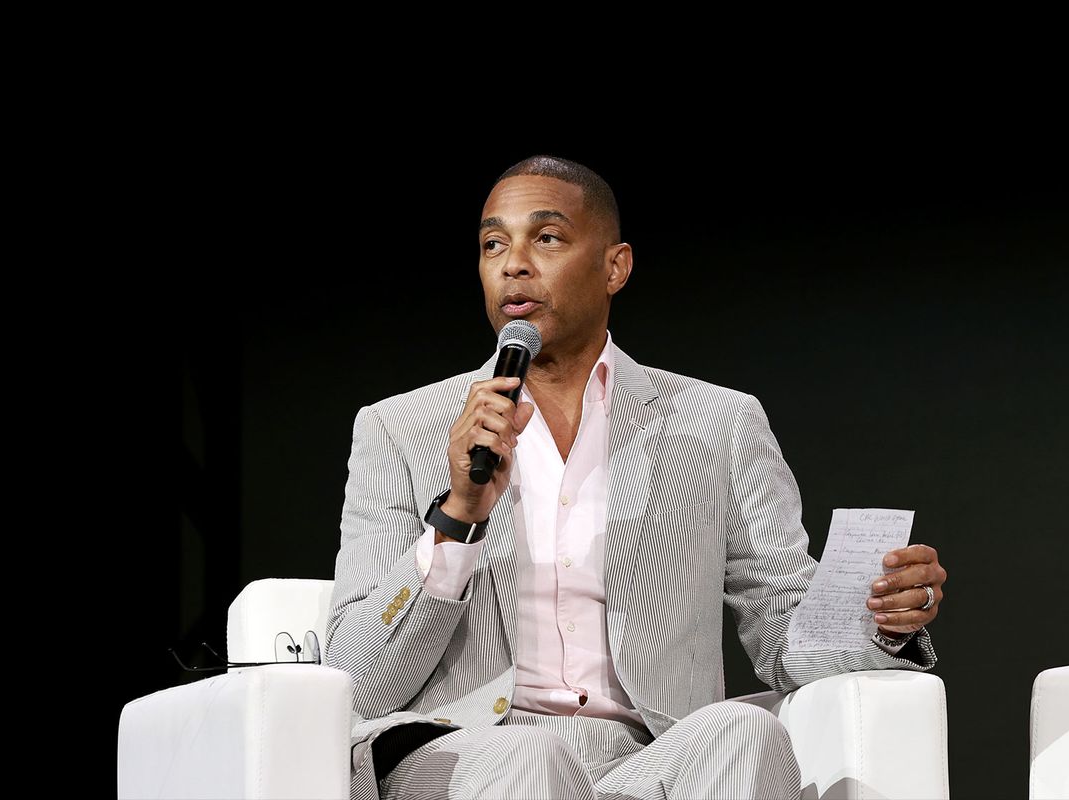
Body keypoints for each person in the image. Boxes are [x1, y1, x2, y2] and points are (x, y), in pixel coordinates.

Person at [323, 155, 948, 800]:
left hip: (639, 758)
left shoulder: (717, 424)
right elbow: (354, 678)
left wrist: (880, 618)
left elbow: (780, 629)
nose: (513, 264)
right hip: (470, 750)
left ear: (615, 266)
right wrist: (457, 513)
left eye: (547, 238)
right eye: (492, 244)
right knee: (531, 760)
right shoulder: (401, 428)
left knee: (742, 730)